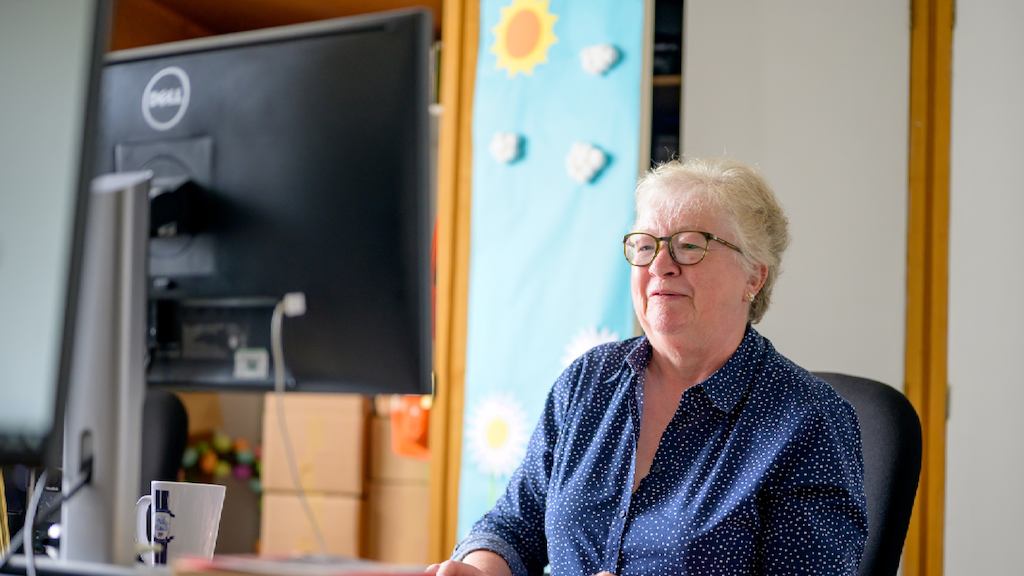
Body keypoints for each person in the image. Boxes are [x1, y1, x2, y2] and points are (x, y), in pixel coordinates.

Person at [428, 157, 868, 576]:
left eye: (690, 246)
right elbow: (512, 526)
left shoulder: (809, 421)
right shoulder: (589, 381)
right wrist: (478, 567)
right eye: (645, 245)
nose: (660, 266)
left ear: (753, 276)